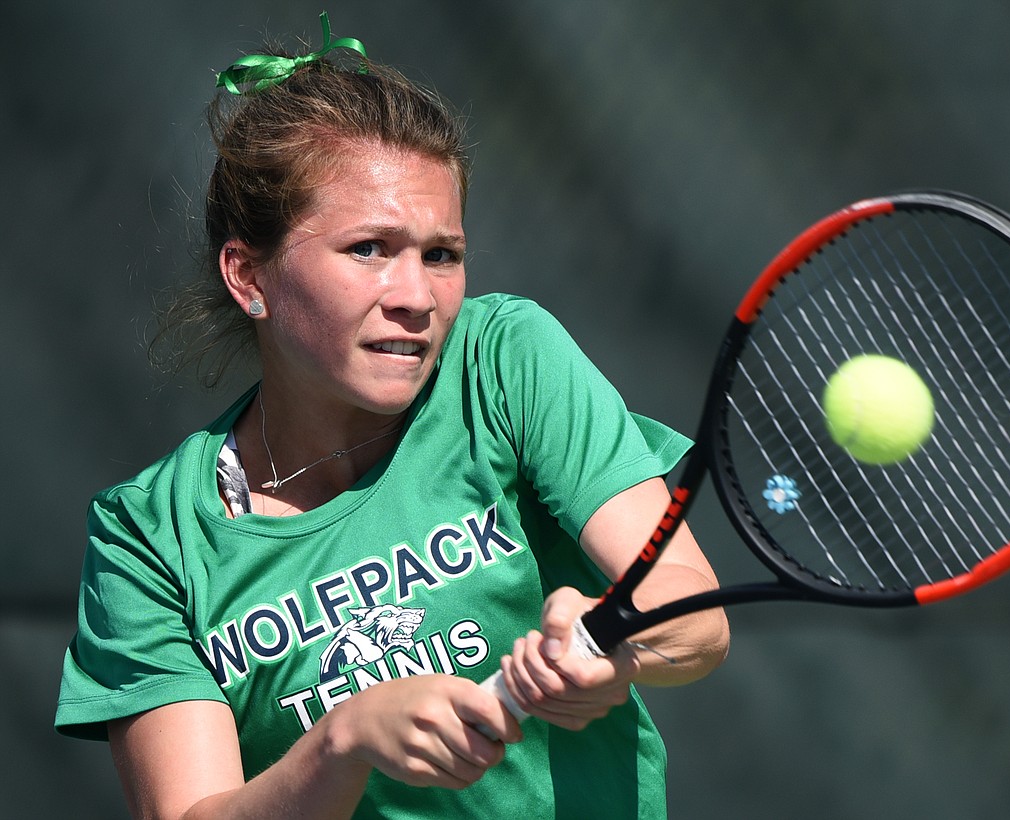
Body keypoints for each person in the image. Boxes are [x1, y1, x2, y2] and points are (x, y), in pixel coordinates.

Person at [55, 14, 729, 820]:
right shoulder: (148, 539)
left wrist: (611, 641)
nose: (416, 296)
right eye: (369, 249)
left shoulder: (505, 358)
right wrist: (344, 742)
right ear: (249, 276)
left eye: (440, 254)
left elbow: (694, 613)